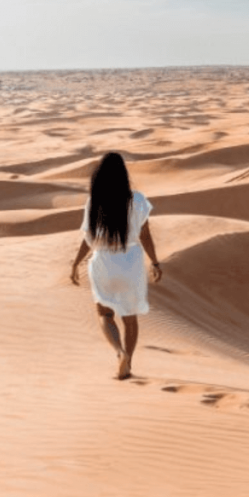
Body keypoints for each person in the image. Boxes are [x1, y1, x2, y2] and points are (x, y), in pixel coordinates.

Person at [70, 152, 162, 380]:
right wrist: (155, 261)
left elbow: (88, 238)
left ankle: (119, 352)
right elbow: (146, 236)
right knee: (130, 318)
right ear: (123, 175)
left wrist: (75, 263)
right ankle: (128, 363)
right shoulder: (138, 200)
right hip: (130, 262)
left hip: (103, 262)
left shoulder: (94, 202)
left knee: (104, 314)